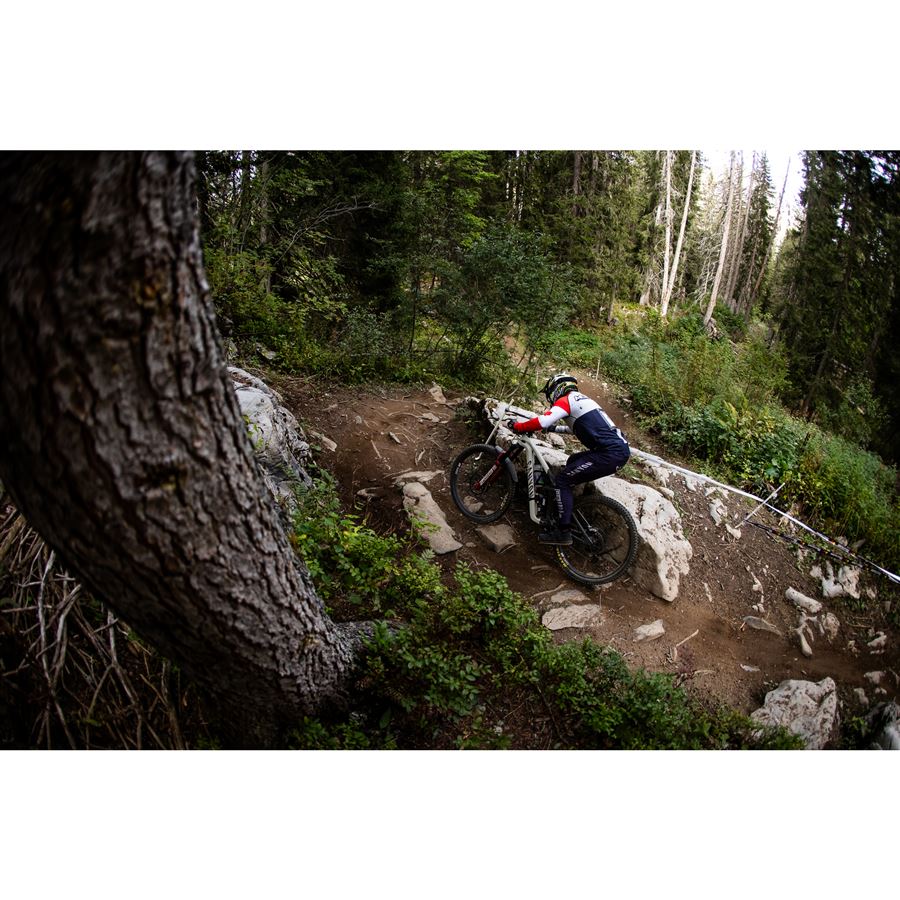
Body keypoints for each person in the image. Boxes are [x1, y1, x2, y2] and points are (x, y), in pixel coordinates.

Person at [506, 373, 630, 545]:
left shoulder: (566, 400)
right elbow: (577, 427)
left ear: (557, 388)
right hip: (616, 451)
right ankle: (566, 506)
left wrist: (518, 426)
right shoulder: (583, 400)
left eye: (550, 392)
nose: (550, 397)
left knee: (562, 481)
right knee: (572, 461)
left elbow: (543, 421)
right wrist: (554, 429)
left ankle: (563, 532)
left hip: (609, 453)